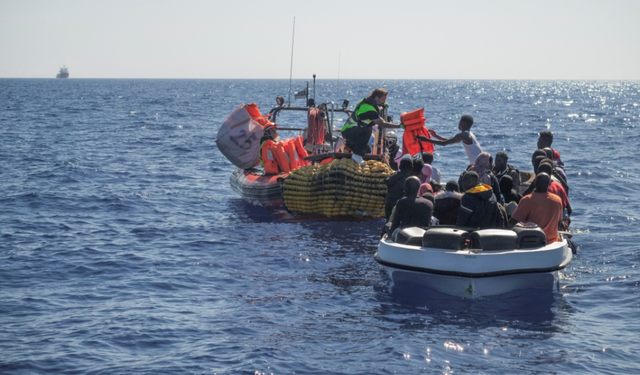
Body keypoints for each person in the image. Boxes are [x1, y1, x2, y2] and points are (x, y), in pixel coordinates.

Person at [341, 88, 401, 165]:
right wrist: (399, 126)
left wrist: (381, 106)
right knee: (367, 129)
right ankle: (356, 155)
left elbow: (375, 107)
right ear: (376, 98)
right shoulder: (368, 109)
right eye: (383, 99)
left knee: (367, 149)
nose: (384, 101)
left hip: (350, 130)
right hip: (349, 131)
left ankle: (353, 150)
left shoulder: (368, 101)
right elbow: (382, 123)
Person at [510, 172, 563, 245]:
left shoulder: (527, 200)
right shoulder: (558, 200)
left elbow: (513, 222)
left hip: (532, 243)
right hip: (552, 242)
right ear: (549, 184)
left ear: (535, 183)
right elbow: (559, 223)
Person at [417, 115, 483, 164]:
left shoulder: (463, 135)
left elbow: (444, 144)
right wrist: (436, 136)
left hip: (478, 163)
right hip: (480, 161)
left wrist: (426, 140)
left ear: (464, 124)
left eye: (460, 123)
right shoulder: (468, 134)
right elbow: (450, 141)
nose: (458, 124)